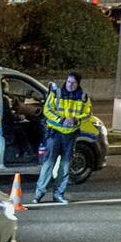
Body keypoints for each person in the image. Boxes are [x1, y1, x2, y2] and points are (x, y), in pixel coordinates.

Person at [32, 72, 91, 204]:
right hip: (55, 133)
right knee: (48, 164)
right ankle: (39, 194)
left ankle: (58, 194)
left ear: (78, 84)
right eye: (68, 81)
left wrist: (76, 120)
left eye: (73, 82)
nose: (69, 84)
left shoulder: (83, 97)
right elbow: (47, 110)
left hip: (70, 135)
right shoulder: (57, 93)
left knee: (64, 167)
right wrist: (61, 120)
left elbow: (87, 114)